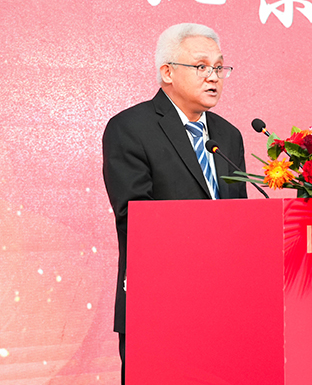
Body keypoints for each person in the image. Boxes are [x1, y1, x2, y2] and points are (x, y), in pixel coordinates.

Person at [102, 23, 248, 383]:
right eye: (201, 67)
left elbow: (241, 218)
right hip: (160, 302)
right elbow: (135, 218)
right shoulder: (130, 128)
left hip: (225, 306)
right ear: (167, 72)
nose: (214, 77)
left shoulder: (228, 136)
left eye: (220, 67)